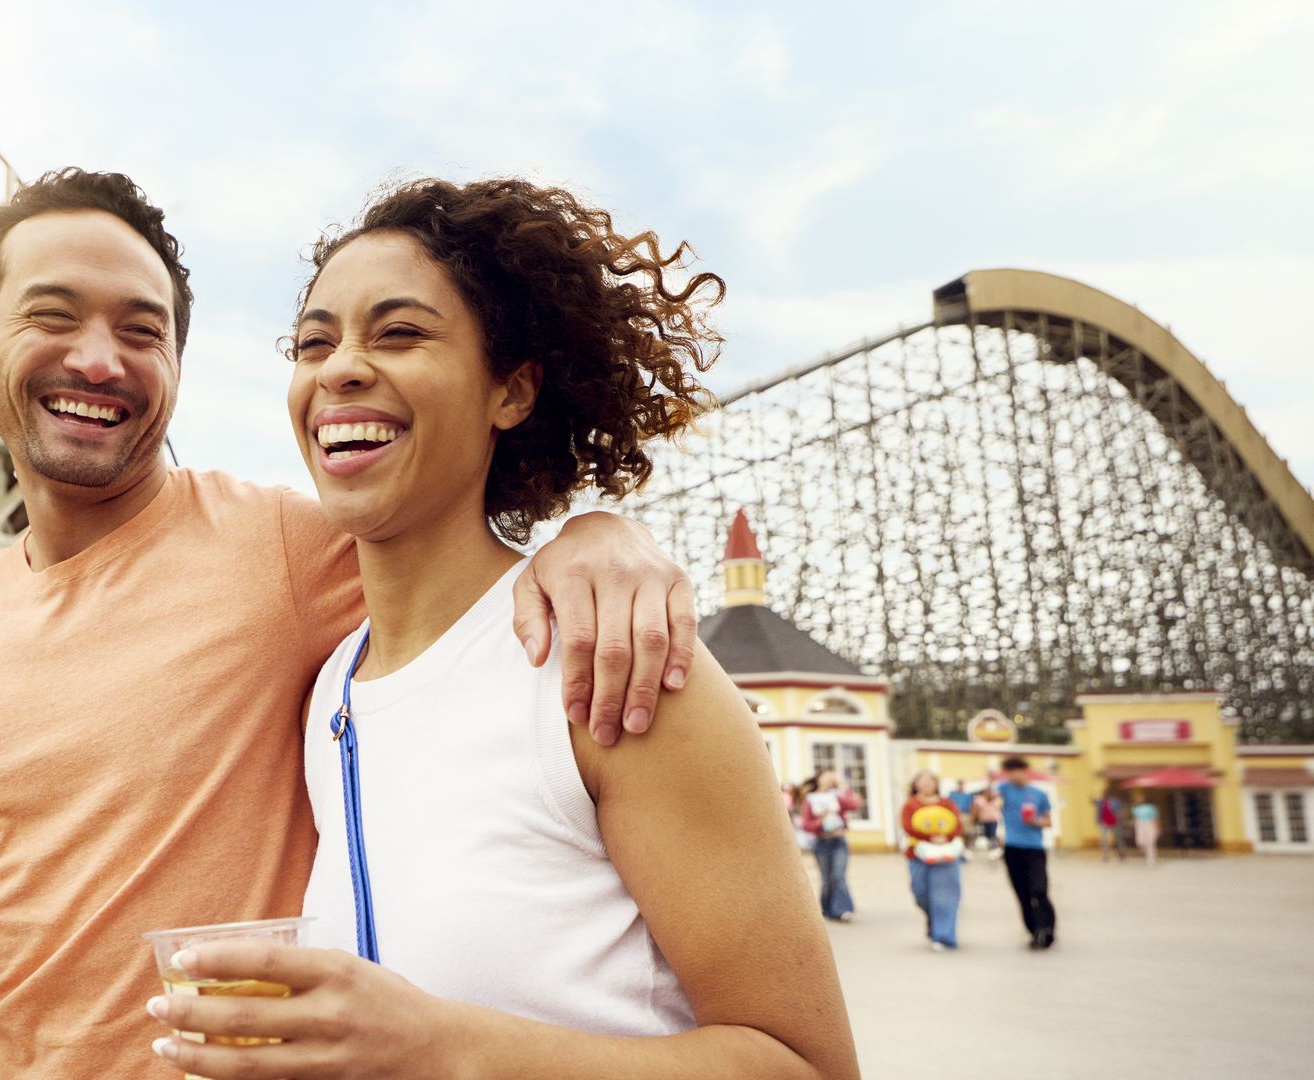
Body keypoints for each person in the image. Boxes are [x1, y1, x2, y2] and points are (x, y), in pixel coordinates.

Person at [0, 169, 703, 1074]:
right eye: (54, 316)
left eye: (140, 332)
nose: (99, 360)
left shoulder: (286, 549)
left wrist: (599, 535)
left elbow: (450, 542)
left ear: (176, 370)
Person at [144, 178, 858, 1078]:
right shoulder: (329, 689)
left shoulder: (609, 664)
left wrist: (441, 1048)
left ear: (512, 392)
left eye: (399, 332)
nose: (341, 368)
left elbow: (808, 1065)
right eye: (313, 342)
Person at [996, 756, 1057, 950]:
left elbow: (1048, 821)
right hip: (1012, 848)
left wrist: (1036, 822)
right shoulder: (1004, 790)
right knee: (1022, 893)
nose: (1014, 775)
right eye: (1010, 771)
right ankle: (1033, 931)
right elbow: (988, 798)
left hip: (1034, 848)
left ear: (1025, 771)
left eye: (1018, 770)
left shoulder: (1038, 794)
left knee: (1039, 890)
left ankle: (1047, 928)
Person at [901, 771, 965, 951]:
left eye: (931, 781)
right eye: (923, 781)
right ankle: (934, 919)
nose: (927, 784)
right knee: (920, 893)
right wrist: (930, 837)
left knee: (945, 896)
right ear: (916, 784)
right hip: (918, 855)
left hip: (945, 855)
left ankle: (943, 936)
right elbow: (907, 826)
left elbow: (958, 825)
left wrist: (945, 837)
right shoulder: (910, 805)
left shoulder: (947, 804)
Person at [801, 769, 862, 921]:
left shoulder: (837, 796)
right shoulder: (810, 799)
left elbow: (854, 804)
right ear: (818, 779)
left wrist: (843, 785)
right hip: (822, 841)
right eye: (826, 777)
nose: (829, 780)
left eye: (831, 777)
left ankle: (843, 909)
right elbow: (806, 824)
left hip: (838, 840)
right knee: (827, 878)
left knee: (838, 875)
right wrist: (819, 821)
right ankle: (828, 908)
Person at [972, 782, 1004, 860]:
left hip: (994, 820)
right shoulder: (979, 799)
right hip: (983, 820)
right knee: (987, 835)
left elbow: (1001, 808)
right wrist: (975, 818)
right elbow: (975, 810)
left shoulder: (997, 799)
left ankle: (994, 849)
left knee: (993, 834)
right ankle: (991, 849)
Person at [1132, 792, 1160, 866]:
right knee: (1140, 842)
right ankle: (1147, 853)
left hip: (1150, 824)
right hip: (1140, 825)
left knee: (1150, 842)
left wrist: (1157, 828)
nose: (1139, 799)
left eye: (1141, 798)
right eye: (1138, 798)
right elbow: (1135, 819)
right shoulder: (1135, 808)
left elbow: (1155, 818)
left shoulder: (1151, 807)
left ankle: (1151, 858)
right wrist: (1135, 827)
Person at [1096, 792, 1126, 862]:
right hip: (1104, 822)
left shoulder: (1115, 801)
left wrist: (1119, 818)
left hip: (1114, 822)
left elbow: (1119, 810)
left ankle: (1122, 854)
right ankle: (1105, 855)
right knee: (1104, 839)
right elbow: (1093, 801)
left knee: (1118, 839)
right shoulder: (1100, 802)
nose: (1104, 795)